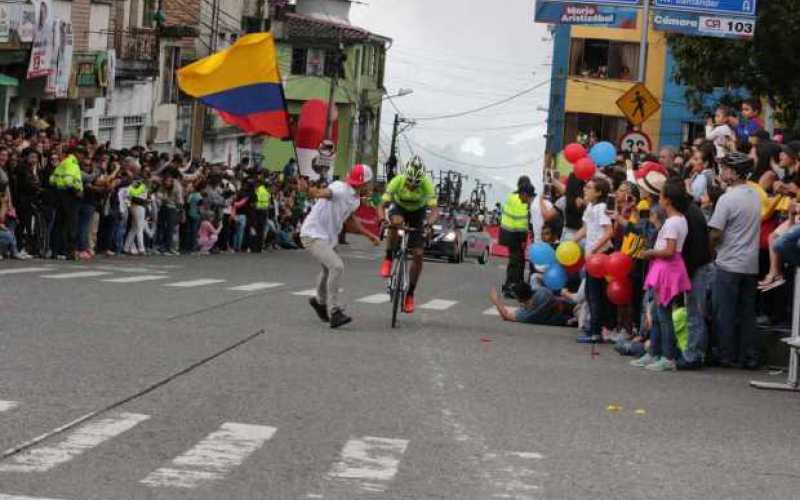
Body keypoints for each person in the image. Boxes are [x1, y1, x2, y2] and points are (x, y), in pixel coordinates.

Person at [301, 164, 381, 329]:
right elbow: (323, 193)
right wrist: (309, 190)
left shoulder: (355, 199)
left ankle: (319, 302)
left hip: (327, 238)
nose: (369, 186)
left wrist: (369, 235)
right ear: (363, 184)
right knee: (336, 267)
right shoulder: (340, 189)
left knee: (327, 270)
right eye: (369, 183)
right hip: (313, 234)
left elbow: (350, 220)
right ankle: (334, 311)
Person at [708, 152, 762, 369]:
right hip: (750, 263)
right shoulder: (754, 195)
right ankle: (749, 355)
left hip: (729, 262)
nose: (722, 172)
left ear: (733, 172)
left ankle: (725, 354)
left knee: (724, 312)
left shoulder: (727, 198)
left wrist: (709, 251)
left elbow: (715, 233)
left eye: (724, 168)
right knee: (747, 313)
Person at [377, 156, 439, 313]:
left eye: (415, 184)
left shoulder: (427, 184)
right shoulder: (398, 180)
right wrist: (382, 220)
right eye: (409, 182)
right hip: (399, 207)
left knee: (418, 254)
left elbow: (434, 211)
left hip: (418, 213)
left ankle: (410, 294)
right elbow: (381, 205)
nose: (412, 186)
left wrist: (429, 223)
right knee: (396, 222)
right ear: (406, 177)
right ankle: (389, 257)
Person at [572, 176, 613, 343]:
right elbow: (586, 228)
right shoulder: (590, 206)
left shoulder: (602, 208)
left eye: (589, 187)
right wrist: (570, 241)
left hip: (600, 256)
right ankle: (593, 327)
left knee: (596, 294)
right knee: (590, 293)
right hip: (591, 256)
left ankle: (596, 331)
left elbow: (609, 231)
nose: (585, 189)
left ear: (599, 192)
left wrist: (594, 250)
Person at [497, 176, 536, 298]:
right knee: (517, 262)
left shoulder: (511, 196)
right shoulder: (520, 199)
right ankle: (512, 287)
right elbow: (521, 223)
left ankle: (511, 286)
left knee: (514, 261)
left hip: (507, 233)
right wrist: (523, 239)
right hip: (515, 235)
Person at [50, 146, 85, 260]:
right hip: (70, 197)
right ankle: (70, 251)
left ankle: (56, 251)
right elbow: (69, 181)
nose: (83, 157)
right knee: (71, 225)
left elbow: (53, 180)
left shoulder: (63, 163)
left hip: (60, 195)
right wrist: (77, 191)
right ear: (77, 154)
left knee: (59, 225)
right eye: (82, 154)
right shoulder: (72, 163)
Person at [489, 282, 574, 326]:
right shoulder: (544, 292)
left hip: (568, 319)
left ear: (519, 299)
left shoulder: (528, 314)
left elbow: (506, 316)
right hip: (572, 306)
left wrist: (496, 301)